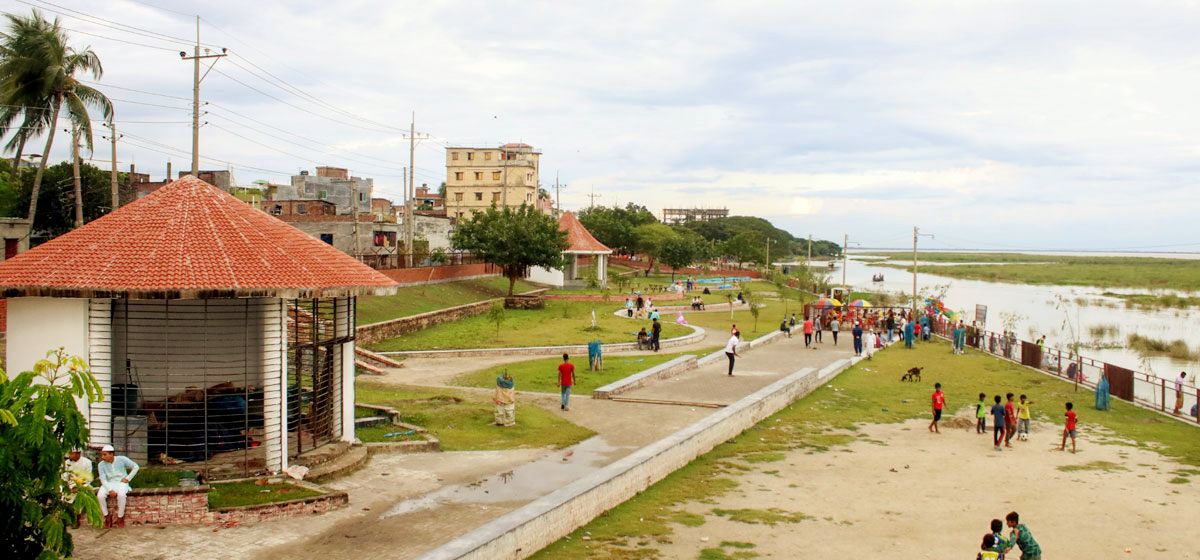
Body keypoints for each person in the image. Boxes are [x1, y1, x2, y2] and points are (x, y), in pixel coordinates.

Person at [96, 444, 140, 527]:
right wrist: (110, 490)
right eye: (102, 455)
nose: (102, 457)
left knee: (121, 495)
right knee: (100, 496)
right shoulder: (101, 465)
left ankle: (120, 517)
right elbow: (103, 479)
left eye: (105, 454)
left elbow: (136, 466)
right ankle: (107, 517)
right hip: (108, 484)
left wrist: (128, 478)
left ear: (111, 454)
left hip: (121, 483)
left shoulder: (121, 459)